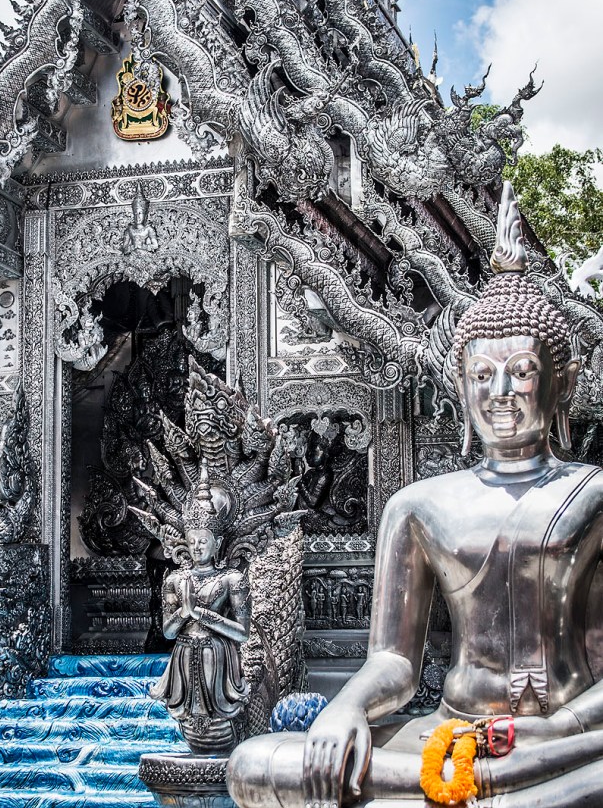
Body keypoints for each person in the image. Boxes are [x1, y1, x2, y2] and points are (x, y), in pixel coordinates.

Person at [227, 182, 603, 807]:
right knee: (256, 765)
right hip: (450, 734)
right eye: (482, 374)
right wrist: (346, 708)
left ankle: (498, 785)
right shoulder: (418, 504)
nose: (501, 390)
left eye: (523, 371)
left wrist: (557, 727)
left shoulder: (592, 492)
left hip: (563, 729)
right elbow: (394, 664)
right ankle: (501, 789)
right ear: (461, 386)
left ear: (557, 384)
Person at [151, 494, 251, 755]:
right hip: (184, 654)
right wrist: (185, 613)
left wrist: (201, 613)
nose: (196, 547)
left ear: (217, 543)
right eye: (192, 541)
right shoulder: (175, 579)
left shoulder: (232, 579)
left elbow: (242, 632)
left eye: (203, 541)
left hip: (217, 654)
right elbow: (168, 632)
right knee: (189, 714)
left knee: (219, 715)